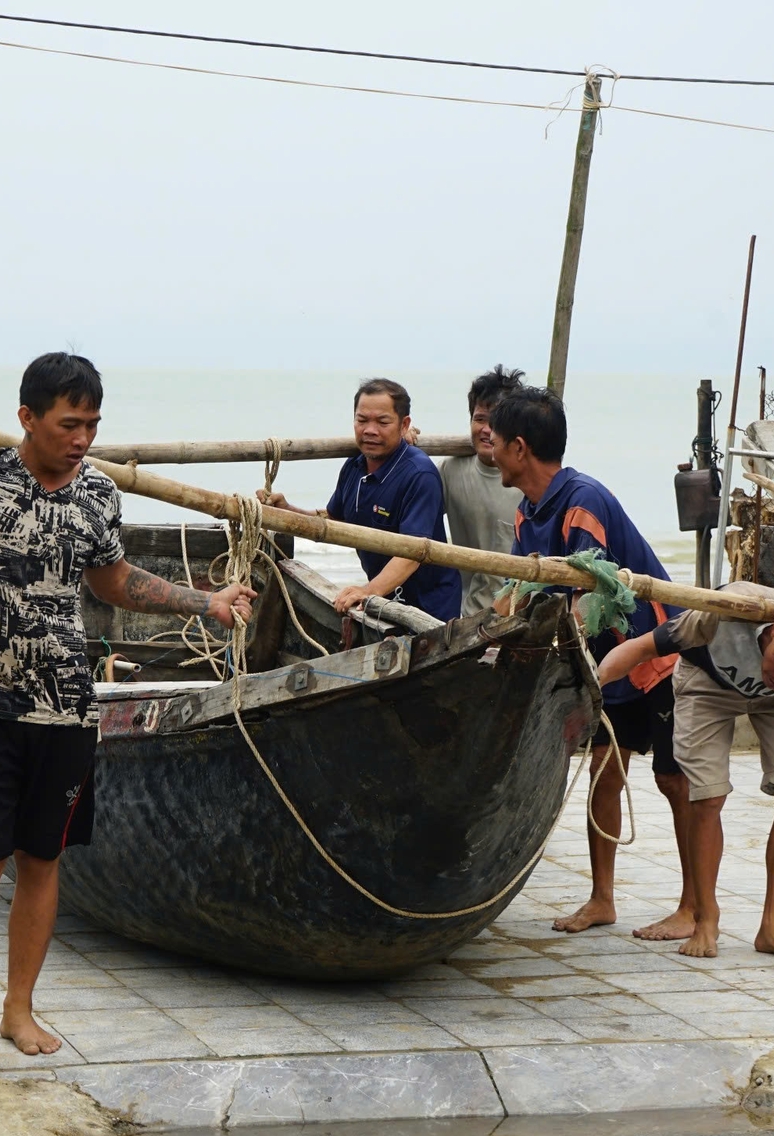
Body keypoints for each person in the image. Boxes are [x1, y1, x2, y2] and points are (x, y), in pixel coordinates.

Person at [0, 349, 257, 1082]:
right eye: (69, 423)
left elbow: (115, 580)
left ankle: (19, 1010)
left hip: (63, 709)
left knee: (43, 862)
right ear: (27, 417)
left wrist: (206, 602)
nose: (83, 437)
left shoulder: (97, 495)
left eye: (93, 424)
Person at [486, 385, 696, 934]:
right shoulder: (527, 509)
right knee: (605, 770)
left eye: (496, 438)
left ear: (519, 449)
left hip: (653, 658)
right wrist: (484, 635)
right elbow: (519, 586)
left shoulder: (583, 501)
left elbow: (595, 600)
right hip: (603, 666)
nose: (488, 446)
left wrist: (542, 647)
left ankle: (693, 905)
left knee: (675, 781)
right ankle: (602, 899)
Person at [595, 584, 774, 962]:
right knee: (707, 796)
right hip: (707, 686)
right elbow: (642, 649)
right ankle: (706, 919)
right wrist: (593, 687)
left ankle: (773, 928)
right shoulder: (718, 617)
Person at [257, 377, 461, 623]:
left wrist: (368, 592)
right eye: (362, 420)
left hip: (429, 609)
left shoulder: (419, 475)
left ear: (404, 424)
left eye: (383, 422)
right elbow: (335, 520)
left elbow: (413, 553)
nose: (370, 430)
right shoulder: (354, 467)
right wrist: (288, 511)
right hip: (384, 601)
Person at [439, 365, 528, 617]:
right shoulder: (449, 471)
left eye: (496, 422)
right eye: (479, 420)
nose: (486, 430)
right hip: (466, 618)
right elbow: (410, 505)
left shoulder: (530, 482)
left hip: (518, 620)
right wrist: (405, 445)